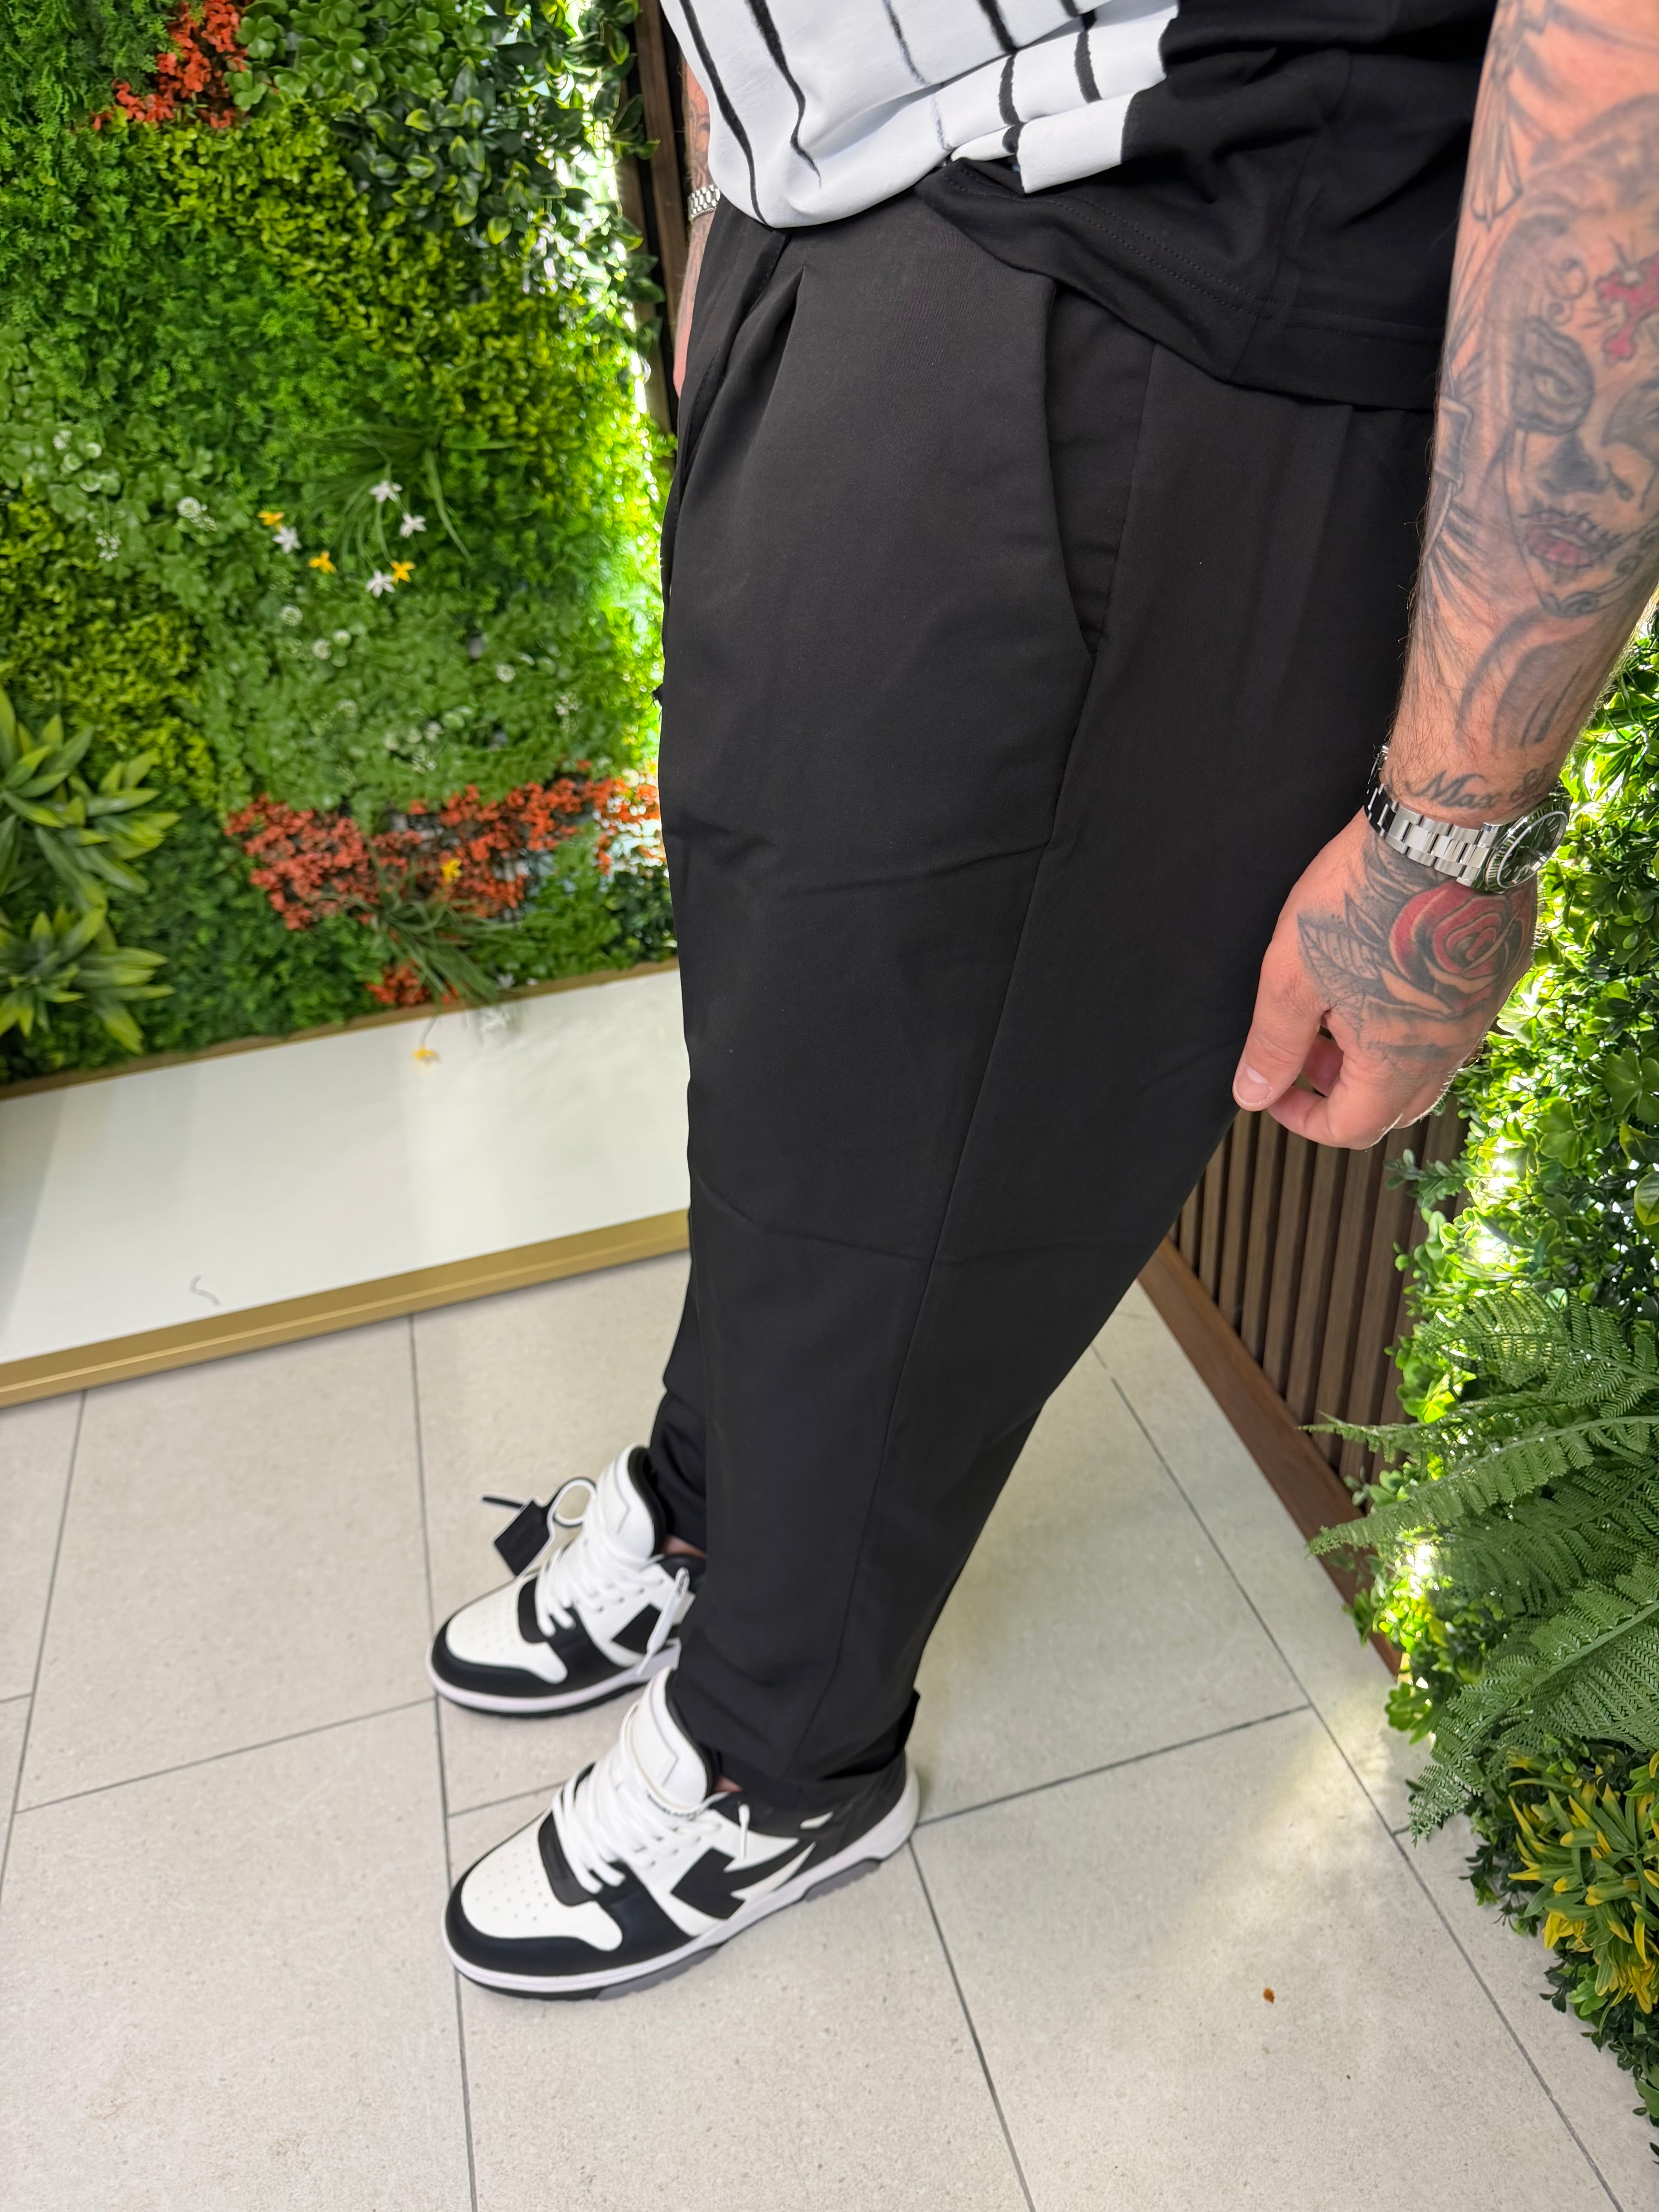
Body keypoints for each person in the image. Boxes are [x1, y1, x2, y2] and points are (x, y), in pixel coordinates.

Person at [429, 0, 1659, 1997]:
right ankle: (708, 1505)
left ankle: (780, 1753)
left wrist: (1452, 828)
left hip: (1155, 299)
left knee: (939, 1149)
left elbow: (1624, 53)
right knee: (790, 1068)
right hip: (844, 234)